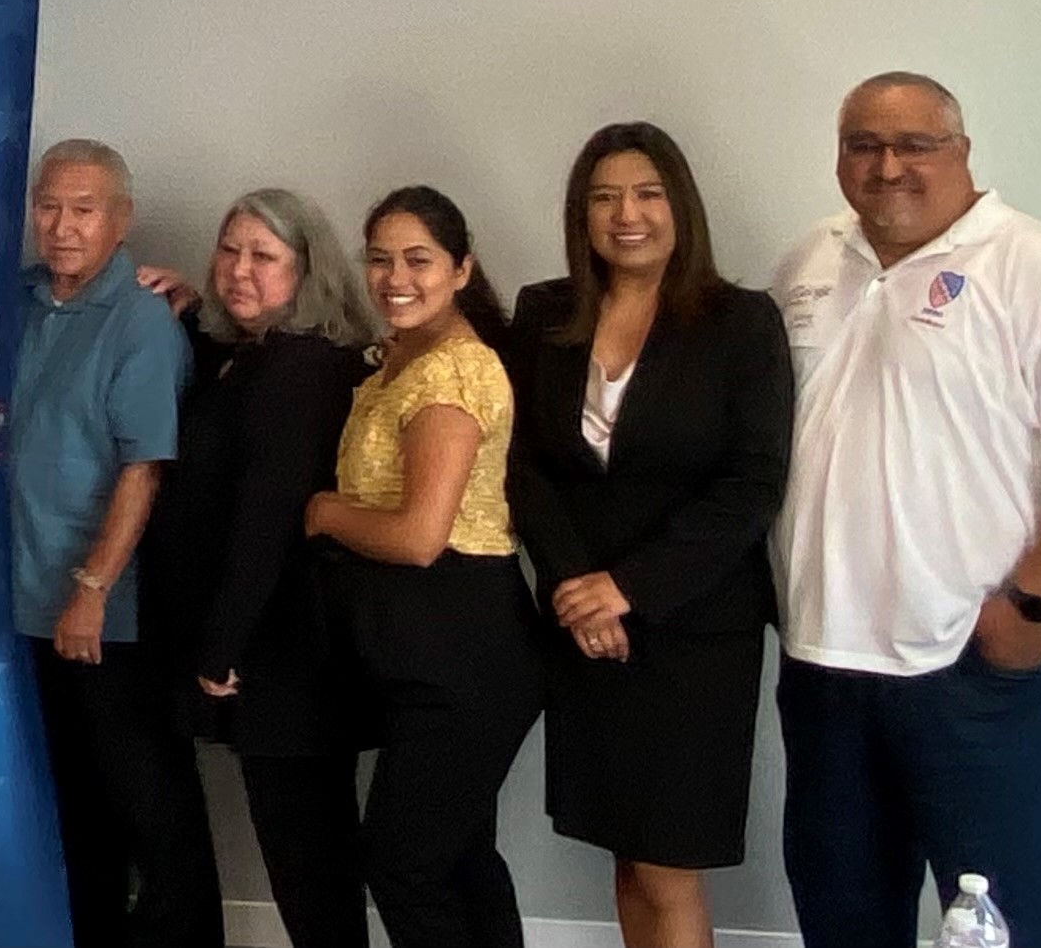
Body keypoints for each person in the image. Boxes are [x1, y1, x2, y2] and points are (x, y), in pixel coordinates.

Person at [771, 73, 1041, 948]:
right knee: (843, 921)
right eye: (863, 145)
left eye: (915, 144)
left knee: (1014, 929)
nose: (888, 165)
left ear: (962, 151)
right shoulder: (806, 266)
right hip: (826, 669)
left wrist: (1024, 613)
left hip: (977, 673)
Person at [504, 125, 793, 948]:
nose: (625, 214)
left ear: (680, 206)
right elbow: (521, 464)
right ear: (581, 214)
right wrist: (575, 588)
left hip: (692, 630)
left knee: (669, 863)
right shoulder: (545, 312)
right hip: (582, 624)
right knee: (627, 855)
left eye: (646, 193)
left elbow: (753, 484)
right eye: (603, 197)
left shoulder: (741, 323)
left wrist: (628, 590)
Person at [304, 185, 542, 948]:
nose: (394, 277)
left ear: (462, 269)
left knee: (403, 862)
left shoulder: (456, 373)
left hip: (464, 649)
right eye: (379, 259)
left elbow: (418, 537)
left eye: (418, 260)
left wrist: (323, 512)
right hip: (424, 647)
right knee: (460, 856)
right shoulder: (399, 362)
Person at [140, 188, 371, 948]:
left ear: (308, 272)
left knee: (311, 869)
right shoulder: (253, 358)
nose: (240, 270)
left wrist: (221, 649)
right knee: (303, 864)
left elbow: (265, 520)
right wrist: (193, 305)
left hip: (285, 660)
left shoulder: (303, 367)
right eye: (229, 250)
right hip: (267, 655)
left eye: (263, 257)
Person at [9, 139, 222, 948]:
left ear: (121, 219)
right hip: (29, 603)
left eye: (84, 209)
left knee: (152, 808)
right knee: (74, 805)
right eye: (49, 206)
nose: (62, 226)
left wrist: (92, 591)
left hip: (107, 614)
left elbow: (145, 471)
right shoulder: (24, 301)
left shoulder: (140, 321)